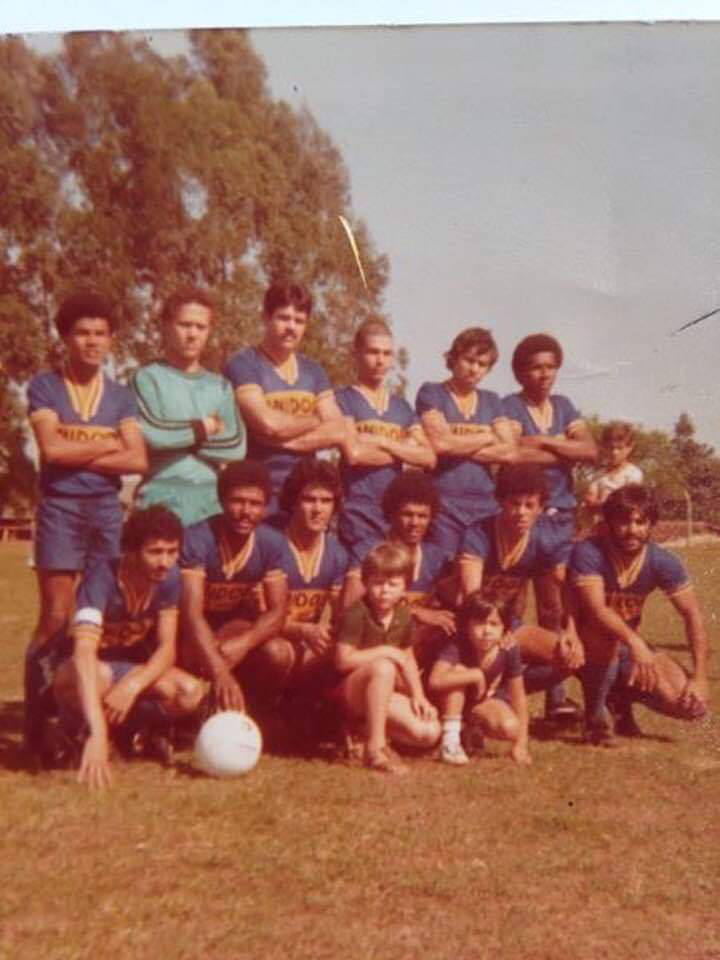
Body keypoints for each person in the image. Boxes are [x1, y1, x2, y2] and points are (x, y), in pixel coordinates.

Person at [25, 290, 148, 758]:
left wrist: (84, 454)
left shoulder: (119, 396)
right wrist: (107, 450)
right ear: (66, 338)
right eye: (82, 333)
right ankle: (39, 727)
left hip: (104, 511)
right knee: (56, 617)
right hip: (59, 508)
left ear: (111, 340)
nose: (92, 342)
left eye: (100, 334)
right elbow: (50, 451)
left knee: (94, 617)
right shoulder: (45, 387)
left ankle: (82, 725)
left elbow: (136, 459)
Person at [52, 506, 205, 789]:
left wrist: (133, 685)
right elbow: (83, 654)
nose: (165, 562)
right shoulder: (100, 579)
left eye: (172, 551)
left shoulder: (169, 579)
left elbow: (166, 649)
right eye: (155, 552)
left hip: (127, 672)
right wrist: (98, 731)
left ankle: (131, 731)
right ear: (131, 551)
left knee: (190, 693)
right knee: (98, 676)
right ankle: (81, 731)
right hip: (83, 672)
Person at [568, 484, 709, 744]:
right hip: (582, 645)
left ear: (651, 524)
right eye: (623, 522)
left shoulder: (662, 560)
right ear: (608, 522)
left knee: (690, 706)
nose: (632, 529)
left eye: (640, 522)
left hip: (625, 647)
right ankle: (594, 717)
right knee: (605, 636)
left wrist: (699, 677)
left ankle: (617, 697)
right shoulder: (589, 551)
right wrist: (634, 642)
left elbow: (692, 614)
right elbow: (597, 610)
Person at [502, 334, 597, 716]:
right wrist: (560, 447)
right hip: (524, 516)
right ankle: (505, 687)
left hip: (561, 518)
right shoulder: (508, 405)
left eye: (551, 366)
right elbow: (511, 453)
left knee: (554, 606)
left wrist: (542, 441)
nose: (545, 374)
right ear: (522, 371)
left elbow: (589, 450)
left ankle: (556, 699)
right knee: (512, 603)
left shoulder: (564, 405)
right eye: (536, 367)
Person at [458, 465, 584, 720]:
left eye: (530, 505)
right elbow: (471, 596)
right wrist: (496, 630)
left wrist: (571, 630)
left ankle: (500, 694)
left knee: (568, 656)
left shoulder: (544, 537)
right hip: (467, 621)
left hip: (507, 625)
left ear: (541, 507)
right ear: (500, 501)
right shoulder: (478, 533)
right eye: (515, 504)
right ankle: (463, 701)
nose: (521, 512)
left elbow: (567, 587)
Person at [222, 280, 356, 523]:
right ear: (265, 317)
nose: (291, 327)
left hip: (305, 497)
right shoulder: (244, 364)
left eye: (299, 321)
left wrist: (279, 436)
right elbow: (267, 423)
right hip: (259, 495)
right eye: (284, 318)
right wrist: (317, 419)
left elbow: (338, 430)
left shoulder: (313, 371)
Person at [179, 460, 292, 720]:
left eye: (255, 504)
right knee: (192, 651)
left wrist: (245, 643)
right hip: (190, 635)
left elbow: (278, 610)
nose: (245, 511)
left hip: (233, 630)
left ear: (265, 507)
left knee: (278, 652)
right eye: (237, 501)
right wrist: (220, 671)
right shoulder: (198, 538)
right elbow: (190, 614)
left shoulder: (271, 542)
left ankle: (254, 715)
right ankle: (186, 718)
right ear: (221, 500)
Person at [130, 288, 246, 526]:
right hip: (157, 498)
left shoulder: (221, 386)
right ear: (165, 326)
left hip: (210, 503)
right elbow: (153, 435)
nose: (192, 334)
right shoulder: (145, 379)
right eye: (185, 324)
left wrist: (176, 438)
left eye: (200, 327)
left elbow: (235, 446)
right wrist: (206, 426)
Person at [334, 542, 441, 774]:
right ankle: (377, 749)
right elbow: (342, 661)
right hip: (349, 693)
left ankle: (362, 733)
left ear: (405, 587)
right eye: (378, 583)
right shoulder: (356, 613)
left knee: (429, 733)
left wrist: (418, 695)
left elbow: (408, 658)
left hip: (381, 691)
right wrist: (386, 651)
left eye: (393, 584)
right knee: (384, 667)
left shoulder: (402, 613)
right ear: (366, 582)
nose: (384, 591)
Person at [334, 319, 435, 556]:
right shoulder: (342, 398)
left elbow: (429, 457)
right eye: (373, 352)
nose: (380, 361)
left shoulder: (402, 407)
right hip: (357, 510)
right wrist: (404, 449)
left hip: (394, 514)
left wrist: (382, 441)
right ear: (356, 353)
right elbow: (354, 454)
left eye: (387, 354)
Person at [415, 327, 516, 555]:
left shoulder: (492, 401)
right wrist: (487, 436)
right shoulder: (432, 392)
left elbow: (510, 452)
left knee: (479, 574)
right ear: (454, 358)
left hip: (485, 504)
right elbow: (440, 445)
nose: (474, 369)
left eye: (482, 364)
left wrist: (456, 444)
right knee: (444, 571)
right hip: (444, 503)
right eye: (469, 360)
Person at [342, 471, 457, 669]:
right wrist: (416, 611)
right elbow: (349, 605)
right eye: (407, 514)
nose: (415, 523)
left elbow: (456, 603)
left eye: (422, 516)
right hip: (370, 650)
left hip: (410, 648)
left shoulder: (436, 556)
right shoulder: (369, 549)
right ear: (392, 513)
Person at [428, 595, 531, 766]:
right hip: (447, 702)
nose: (486, 631)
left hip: (479, 702)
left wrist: (521, 744)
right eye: (479, 623)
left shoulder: (508, 648)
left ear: (505, 628)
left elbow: (518, 697)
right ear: (467, 625)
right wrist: (475, 674)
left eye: (494, 624)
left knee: (510, 727)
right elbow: (435, 680)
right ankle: (450, 740)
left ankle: (470, 729)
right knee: (458, 672)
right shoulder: (458, 644)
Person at [276, 459, 350, 693]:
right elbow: (258, 617)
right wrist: (302, 630)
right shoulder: (271, 544)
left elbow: (339, 613)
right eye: (309, 499)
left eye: (326, 501)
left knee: (342, 651)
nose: (318, 509)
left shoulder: (337, 553)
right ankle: (260, 711)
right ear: (293, 502)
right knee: (276, 653)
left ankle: (311, 716)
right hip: (271, 639)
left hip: (308, 642)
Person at [584, 422, 643, 523]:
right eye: (610, 448)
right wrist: (607, 503)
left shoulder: (633, 474)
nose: (614, 452)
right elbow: (589, 501)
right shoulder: (598, 475)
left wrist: (602, 503)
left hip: (622, 527)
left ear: (629, 448)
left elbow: (627, 504)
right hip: (600, 527)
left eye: (620, 448)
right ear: (603, 447)